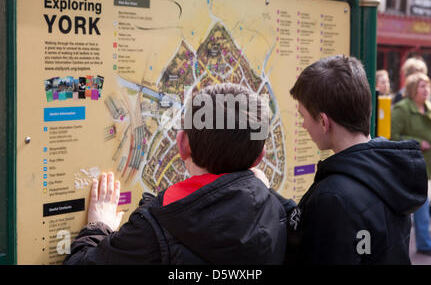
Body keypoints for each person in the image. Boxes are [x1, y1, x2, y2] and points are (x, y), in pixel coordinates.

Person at [64, 83, 296, 265]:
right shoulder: (282, 214)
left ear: (182, 144)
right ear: (260, 157)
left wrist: (98, 227)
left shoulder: (154, 230)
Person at [287, 55, 428, 264]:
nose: (303, 125)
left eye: (303, 116)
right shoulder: (391, 170)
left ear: (324, 122)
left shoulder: (333, 198)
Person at [391, 72, 431, 255]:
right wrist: (417, 142)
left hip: (428, 167)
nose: (427, 90)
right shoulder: (402, 108)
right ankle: (424, 244)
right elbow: (392, 137)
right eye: (423, 86)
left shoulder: (428, 108)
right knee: (420, 207)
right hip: (411, 168)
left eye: (428, 86)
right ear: (413, 88)